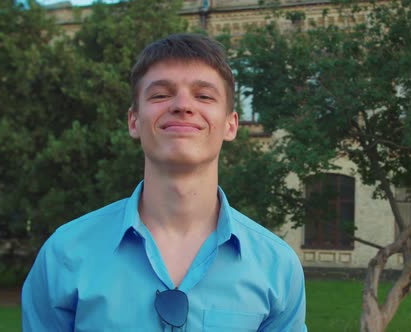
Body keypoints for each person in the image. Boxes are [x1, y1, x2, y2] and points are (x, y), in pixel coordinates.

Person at [22, 33, 307, 331]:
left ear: (230, 124)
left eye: (204, 96)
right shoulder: (64, 254)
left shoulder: (278, 267)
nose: (183, 105)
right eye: (160, 94)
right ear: (134, 121)